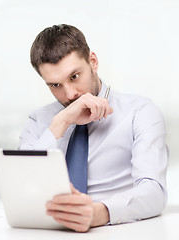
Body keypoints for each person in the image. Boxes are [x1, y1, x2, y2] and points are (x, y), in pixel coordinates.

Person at [19, 24, 168, 232]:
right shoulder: (40, 121)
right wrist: (62, 122)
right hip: (51, 233)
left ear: (93, 62)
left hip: (116, 230)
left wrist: (97, 213)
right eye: (55, 85)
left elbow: (154, 192)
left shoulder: (140, 112)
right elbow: (23, 190)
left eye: (74, 76)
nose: (70, 94)